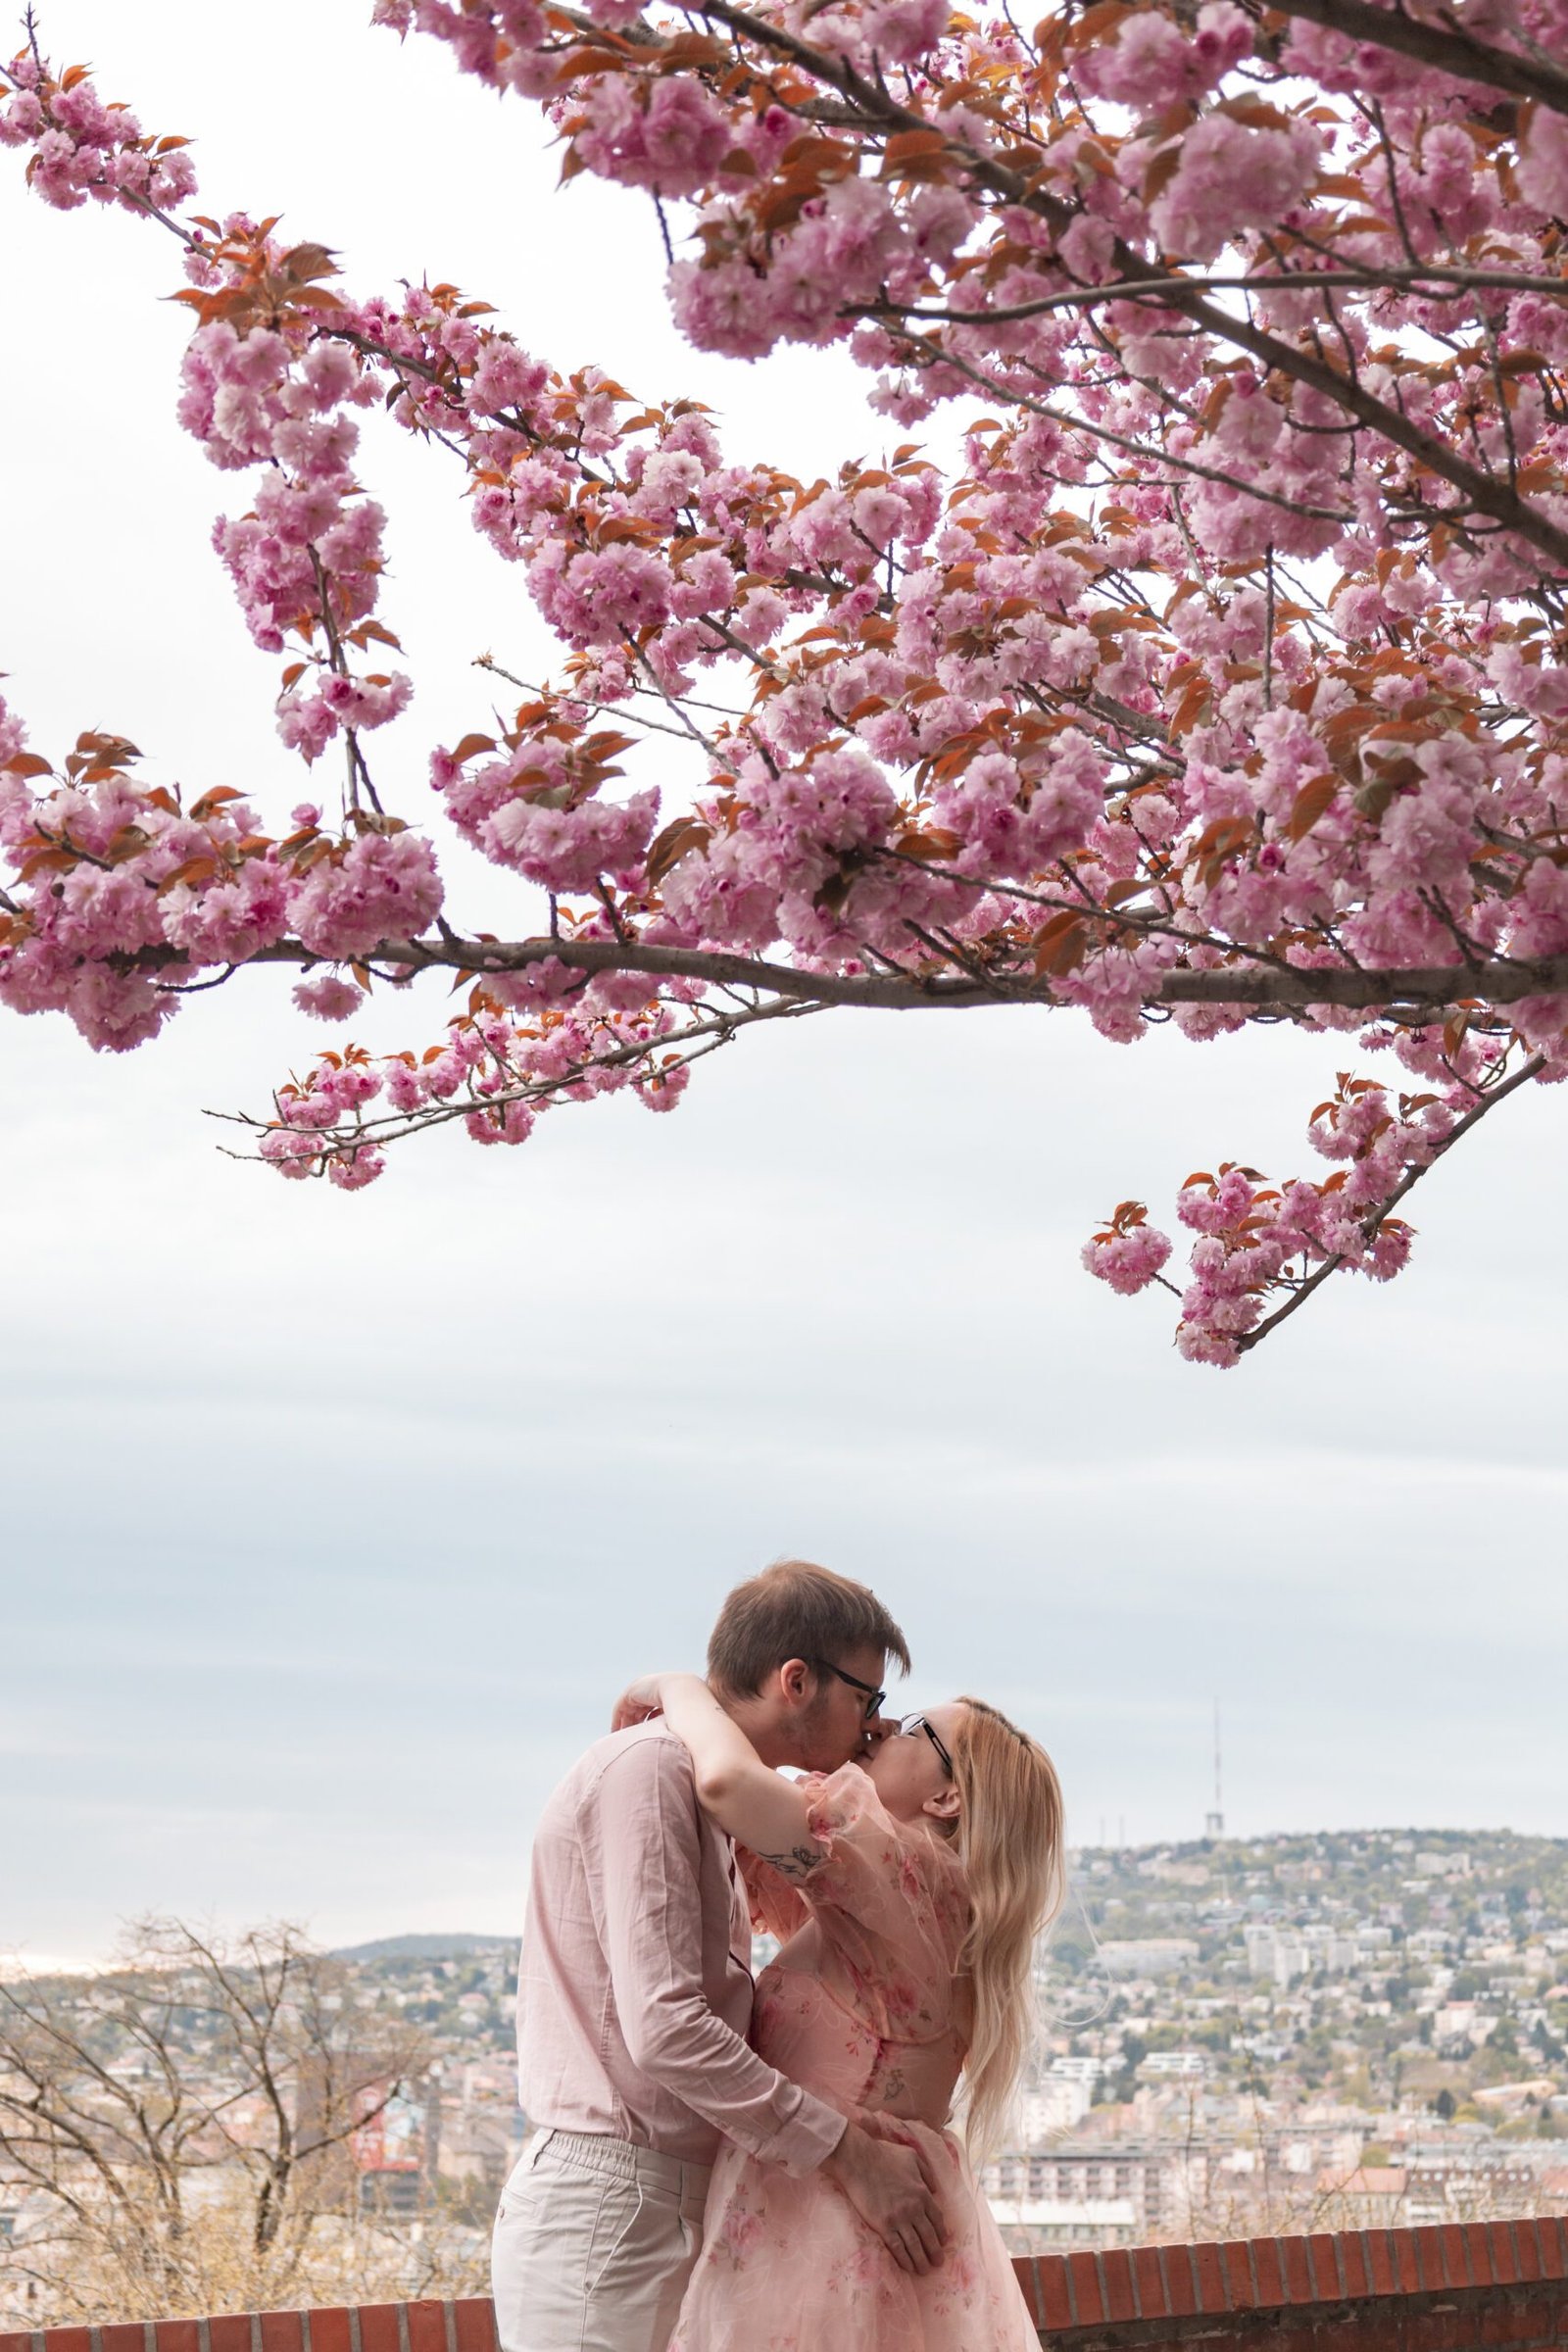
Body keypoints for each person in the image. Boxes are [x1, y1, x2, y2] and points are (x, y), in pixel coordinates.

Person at [492, 1560, 950, 2352]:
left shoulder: (701, 1786)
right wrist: (851, 2158)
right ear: (797, 1681)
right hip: (615, 2206)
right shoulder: (651, 1771)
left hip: (661, 2204)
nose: (876, 1725)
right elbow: (667, 2029)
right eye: (867, 1699)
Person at [618, 1671, 1064, 2351]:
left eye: (913, 1728)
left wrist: (677, 1687)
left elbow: (728, 1785)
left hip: (823, 2246)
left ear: (948, 1795)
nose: (883, 1729)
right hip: (851, 2244)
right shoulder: (915, 1912)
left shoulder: (905, 1875)